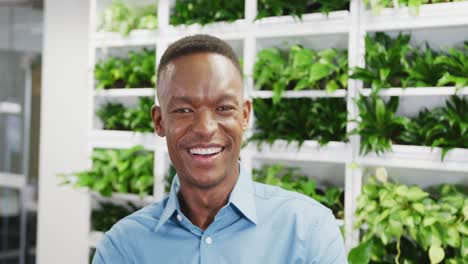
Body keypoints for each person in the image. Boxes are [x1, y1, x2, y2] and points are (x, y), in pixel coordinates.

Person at [92, 34, 347, 264]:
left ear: (245, 116)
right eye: (184, 110)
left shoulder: (309, 230)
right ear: (159, 121)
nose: (205, 128)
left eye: (224, 108)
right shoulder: (122, 248)